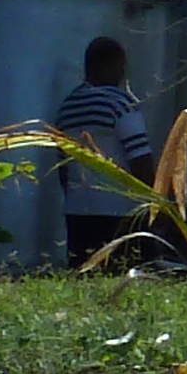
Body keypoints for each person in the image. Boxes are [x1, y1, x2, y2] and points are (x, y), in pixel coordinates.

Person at [55, 34, 158, 268]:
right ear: (113, 65)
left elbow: (62, 166)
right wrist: (155, 204)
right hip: (120, 213)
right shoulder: (120, 104)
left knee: (84, 280)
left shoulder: (67, 107)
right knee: (129, 277)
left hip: (78, 211)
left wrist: (74, 198)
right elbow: (140, 158)